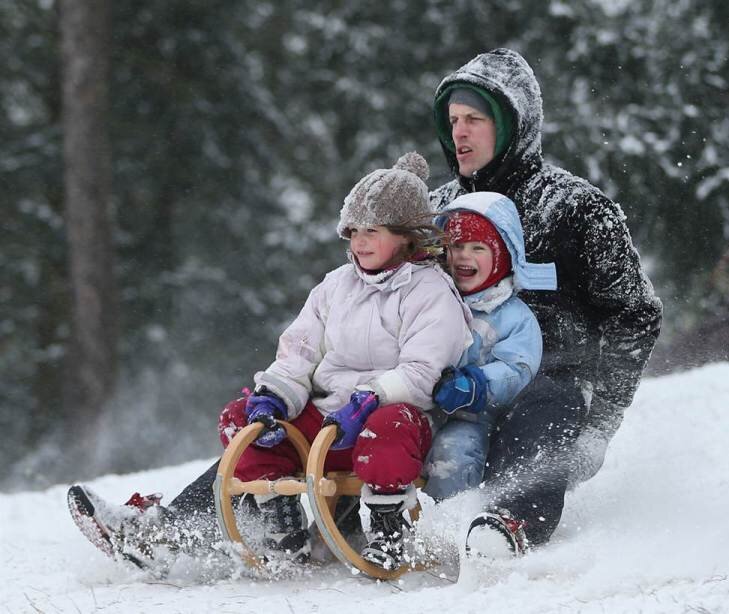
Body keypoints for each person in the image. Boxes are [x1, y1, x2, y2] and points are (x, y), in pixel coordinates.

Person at [68, 152, 473, 573]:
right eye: (353, 231)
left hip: (391, 420)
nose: (359, 242)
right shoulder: (336, 287)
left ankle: (390, 532)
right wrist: (274, 396)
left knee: (387, 429)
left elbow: (423, 370)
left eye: (372, 231)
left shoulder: (430, 292)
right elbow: (299, 351)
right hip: (328, 420)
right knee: (242, 420)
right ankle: (278, 523)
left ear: (406, 236)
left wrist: (372, 399)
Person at [429, 48, 663, 555]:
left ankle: (505, 524)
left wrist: (601, 425)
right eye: (452, 121)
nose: (459, 134)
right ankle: (232, 513)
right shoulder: (435, 212)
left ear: (513, 124)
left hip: (544, 394)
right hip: (446, 386)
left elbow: (635, 313)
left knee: (545, 405)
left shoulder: (578, 209)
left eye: (474, 119)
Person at [423, 191, 556, 503]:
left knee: (452, 452)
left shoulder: (513, 316)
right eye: (456, 246)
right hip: (423, 407)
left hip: (474, 416)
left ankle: (443, 525)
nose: (463, 256)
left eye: (477, 248)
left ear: (502, 258)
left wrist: (476, 385)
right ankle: (379, 522)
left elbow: (518, 367)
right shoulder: (431, 298)